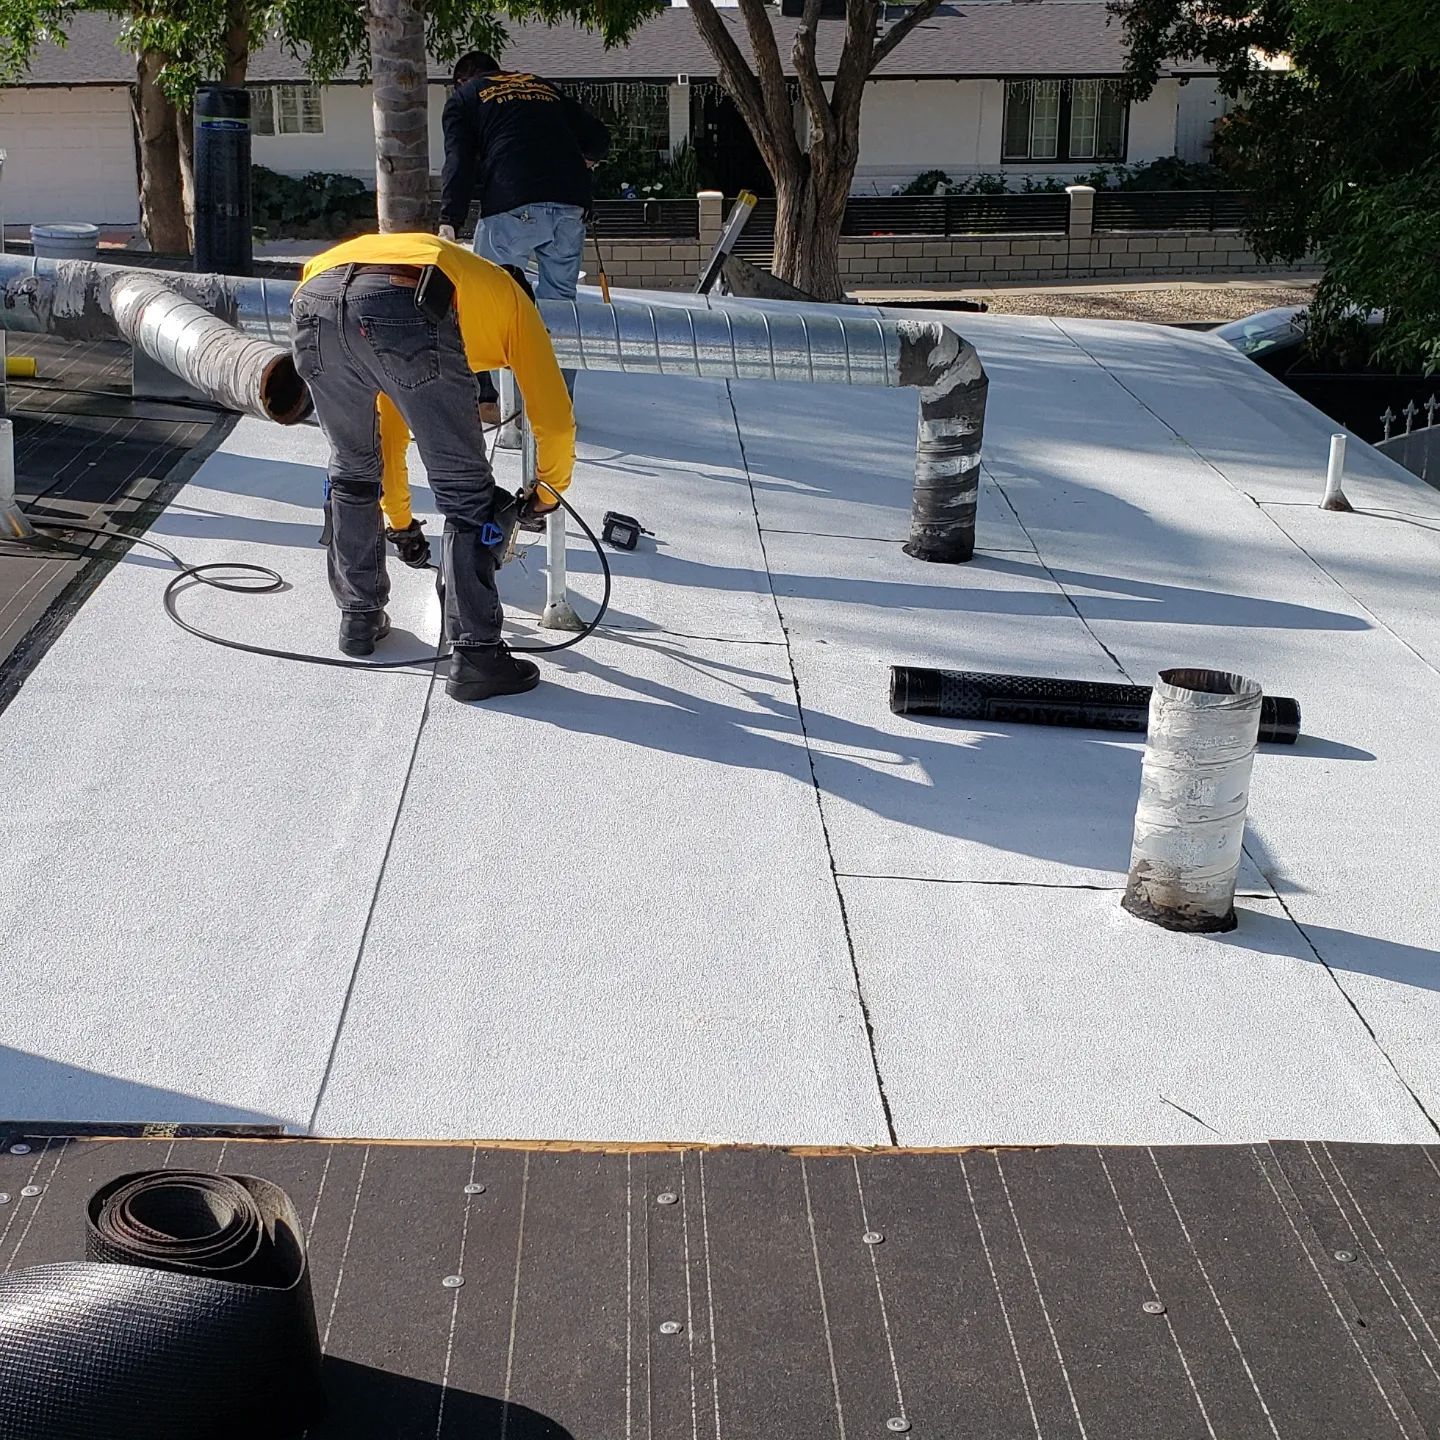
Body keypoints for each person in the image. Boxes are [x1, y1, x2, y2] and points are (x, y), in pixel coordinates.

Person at [290, 233, 574, 702]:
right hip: (409, 297)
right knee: (467, 496)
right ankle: (477, 657)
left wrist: (402, 524)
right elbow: (556, 422)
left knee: (351, 470)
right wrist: (545, 494)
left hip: (315, 298)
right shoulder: (516, 305)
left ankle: (358, 618)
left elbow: (391, 431)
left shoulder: (471, 279)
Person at [438, 52, 610, 403]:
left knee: (487, 301)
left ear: (462, 79)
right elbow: (598, 137)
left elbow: (459, 162)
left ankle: (489, 401)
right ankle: (556, 406)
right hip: (569, 205)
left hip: (511, 204)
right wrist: (586, 161)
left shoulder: (465, 98)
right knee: (560, 307)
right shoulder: (540, 86)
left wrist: (449, 221)